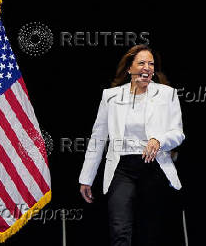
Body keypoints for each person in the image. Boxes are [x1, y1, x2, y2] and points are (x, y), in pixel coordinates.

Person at [78, 44, 185, 246]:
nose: (147, 67)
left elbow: (178, 133)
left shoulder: (167, 94)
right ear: (129, 68)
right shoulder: (110, 97)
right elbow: (98, 138)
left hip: (154, 167)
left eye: (151, 64)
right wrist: (87, 177)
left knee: (149, 232)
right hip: (122, 169)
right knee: (120, 229)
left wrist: (159, 140)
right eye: (142, 63)